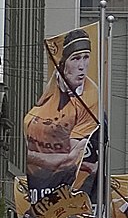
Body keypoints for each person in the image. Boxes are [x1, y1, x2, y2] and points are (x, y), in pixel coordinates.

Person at [23, 27, 99, 199]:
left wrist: (30, 155)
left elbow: (67, 159)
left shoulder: (91, 96)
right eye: (76, 58)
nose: (82, 66)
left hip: (70, 189)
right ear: (63, 64)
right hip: (37, 186)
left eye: (86, 58)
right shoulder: (52, 87)